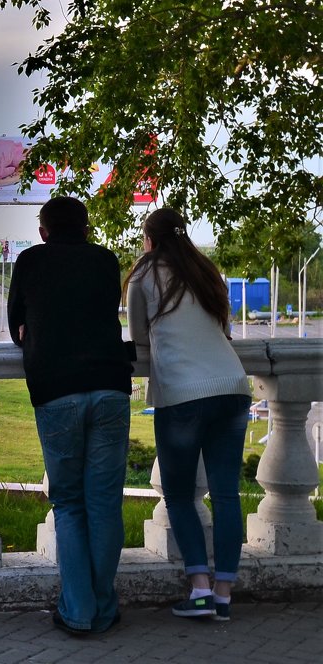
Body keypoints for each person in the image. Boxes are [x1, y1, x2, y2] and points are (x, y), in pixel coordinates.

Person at [7, 196, 134, 635]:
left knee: (69, 503)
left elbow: (15, 325)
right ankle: (102, 606)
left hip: (57, 389)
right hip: (111, 387)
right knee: (104, 503)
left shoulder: (28, 260)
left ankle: (79, 612)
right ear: (86, 228)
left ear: (43, 231)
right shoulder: (105, 260)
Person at [125, 208, 250, 622]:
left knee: (179, 495)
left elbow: (140, 336)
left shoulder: (144, 274)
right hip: (232, 386)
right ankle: (224, 594)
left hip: (182, 395)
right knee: (227, 493)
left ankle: (199, 589)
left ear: (150, 239)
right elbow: (221, 326)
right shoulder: (206, 270)